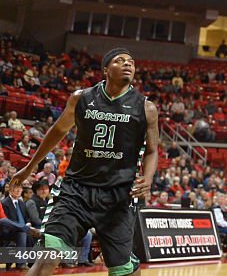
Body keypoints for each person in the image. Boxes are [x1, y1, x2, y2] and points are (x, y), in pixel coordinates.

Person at [11, 48, 159, 276]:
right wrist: (30, 166)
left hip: (118, 196)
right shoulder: (82, 98)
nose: (128, 64)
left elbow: (152, 150)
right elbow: (57, 131)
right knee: (47, 257)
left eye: (131, 61)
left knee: (123, 270)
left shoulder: (146, 108)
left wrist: (148, 177)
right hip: (75, 191)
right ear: (106, 70)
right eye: (120, 61)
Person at [1, 181, 43, 266]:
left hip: (20, 229)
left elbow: (27, 217)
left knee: (23, 234)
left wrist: (28, 223)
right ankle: (27, 230)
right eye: (16, 188)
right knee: (5, 222)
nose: (18, 190)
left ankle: (22, 264)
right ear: (10, 190)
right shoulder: (5, 202)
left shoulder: (21, 202)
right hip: (8, 230)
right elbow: (7, 220)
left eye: (20, 188)